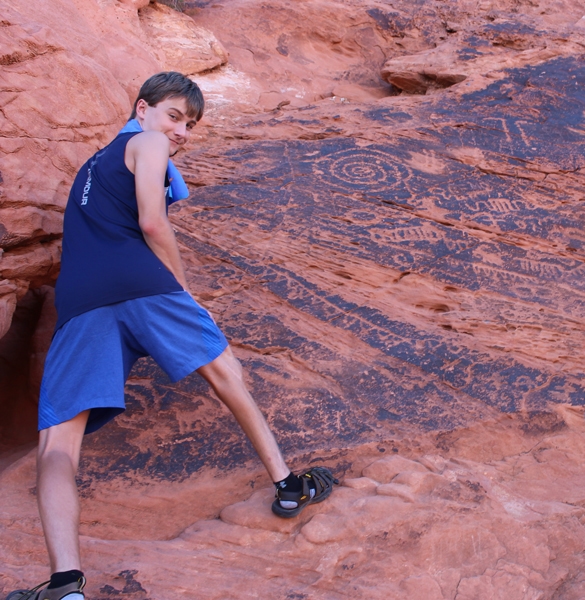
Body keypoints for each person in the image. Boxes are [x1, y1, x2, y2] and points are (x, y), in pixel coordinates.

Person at [6, 72, 337, 600]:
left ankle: (65, 585)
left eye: (191, 124)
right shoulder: (150, 141)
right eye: (175, 116)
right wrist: (183, 290)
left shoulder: (92, 165)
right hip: (142, 283)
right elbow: (154, 223)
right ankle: (287, 486)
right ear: (142, 109)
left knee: (57, 446)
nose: (181, 131)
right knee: (225, 370)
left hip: (80, 304)